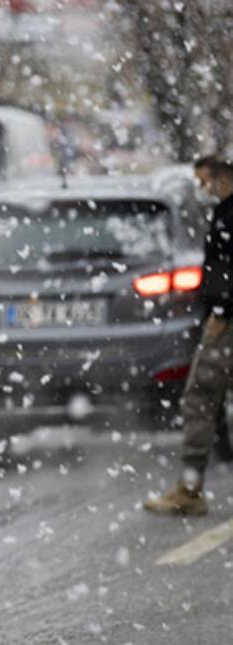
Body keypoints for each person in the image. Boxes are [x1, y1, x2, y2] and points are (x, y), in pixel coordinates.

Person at [145, 156, 233, 517]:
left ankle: (191, 488)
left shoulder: (229, 215)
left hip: (227, 322)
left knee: (200, 395)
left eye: (204, 181)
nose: (202, 190)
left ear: (221, 177)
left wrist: (223, 312)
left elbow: (226, 267)